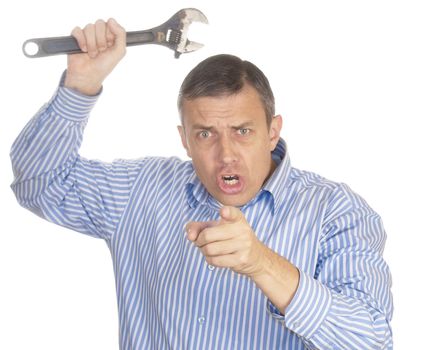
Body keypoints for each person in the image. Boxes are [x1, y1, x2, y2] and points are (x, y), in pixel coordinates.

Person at [10, 18, 393, 349]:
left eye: (243, 131)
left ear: (272, 132)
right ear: (184, 139)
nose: (226, 154)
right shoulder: (141, 190)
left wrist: (263, 264)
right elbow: (39, 182)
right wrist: (80, 86)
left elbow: (372, 341)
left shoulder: (335, 212)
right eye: (206, 134)